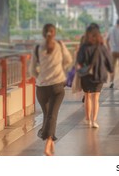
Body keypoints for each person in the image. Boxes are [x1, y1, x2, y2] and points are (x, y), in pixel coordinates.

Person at [30, 24, 72, 156]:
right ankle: (48, 143)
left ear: (43, 34)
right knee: (52, 116)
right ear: (54, 33)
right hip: (57, 86)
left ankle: (50, 139)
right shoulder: (60, 45)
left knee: (48, 115)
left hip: (41, 88)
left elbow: (31, 70)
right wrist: (60, 70)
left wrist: (41, 78)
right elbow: (69, 60)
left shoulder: (37, 48)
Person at [77, 25, 113, 128]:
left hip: (86, 75)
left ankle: (88, 119)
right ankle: (94, 121)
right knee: (96, 98)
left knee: (88, 96)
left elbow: (79, 61)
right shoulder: (101, 46)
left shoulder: (84, 47)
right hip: (99, 75)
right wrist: (110, 70)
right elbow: (108, 59)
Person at [106, 19, 119, 88]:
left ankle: (111, 82)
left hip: (113, 51)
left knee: (112, 67)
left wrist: (109, 48)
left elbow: (107, 40)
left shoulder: (111, 29)